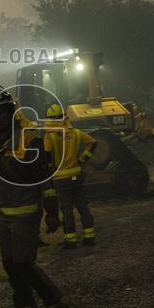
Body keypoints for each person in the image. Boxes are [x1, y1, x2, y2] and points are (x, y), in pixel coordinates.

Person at [0, 85, 71, 308]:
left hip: (26, 213)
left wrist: (51, 213)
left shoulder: (28, 140)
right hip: (4, 215)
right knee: (9, 264)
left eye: (2, 112)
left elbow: (44, 180)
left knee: (24, 263)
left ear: (12, 112)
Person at [44, 103, 98, 248]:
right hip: (76, 175)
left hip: (61, 179)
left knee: (66, 209)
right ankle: (89, 237)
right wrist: (82, 159)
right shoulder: (75, 132)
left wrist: (50, 172)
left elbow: (48, 158)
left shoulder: (49, 136)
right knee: (82, 206)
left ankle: (71, 240)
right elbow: (93, 143)